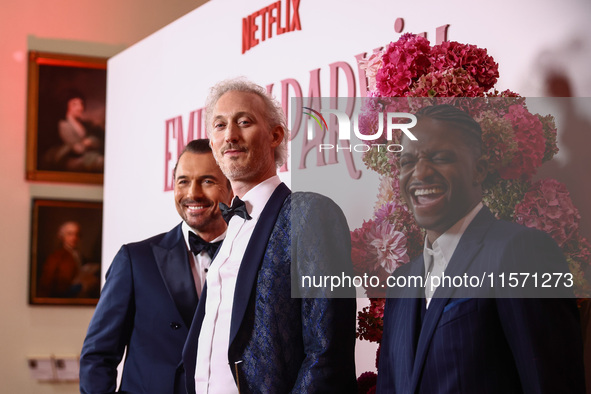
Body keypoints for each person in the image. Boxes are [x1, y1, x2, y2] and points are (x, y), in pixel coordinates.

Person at [376, 104, 585, 393]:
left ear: (480, 170)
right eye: (407, 162)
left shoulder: (521, 252)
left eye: (440, 157)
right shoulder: (400, 283)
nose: (420, 173)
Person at [178, 78, 357, 393]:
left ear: (276, 135)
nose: (230, 135)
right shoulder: (228, 223)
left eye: (244, 122)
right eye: (219, 126)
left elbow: (328, 351)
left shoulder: (310, 213)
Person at [80, 139, 232, 393]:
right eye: (183, 181)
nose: (192, 193)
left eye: (207, 181)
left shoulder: (251, 257)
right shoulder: (135, 260)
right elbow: (98, 355)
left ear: (231, 189)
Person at [44, 91, 104, 172]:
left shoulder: (84, 124)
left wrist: (90, 142)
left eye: (81, 104)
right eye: (74, 104)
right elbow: (78, 149)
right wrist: (87, 143)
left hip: (85, 157)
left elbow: (97, 142)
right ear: (66, 106)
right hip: (70, 161)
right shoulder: (64, 125)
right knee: (99, 162)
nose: (80, 107)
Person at [37, 220, 99, 298]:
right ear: (62, 236)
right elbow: (47, 285)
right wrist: (78, 287)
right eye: (70, 234)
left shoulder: (80, 256)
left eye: (77, 234)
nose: (74, 238)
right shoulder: (55, 257)